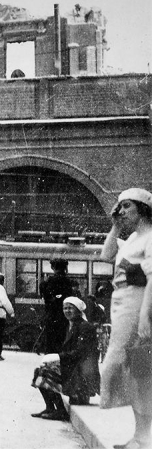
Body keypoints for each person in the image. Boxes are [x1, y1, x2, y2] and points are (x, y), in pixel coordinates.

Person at [99, 188, 152, 449]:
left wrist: (145, 316)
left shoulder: (150, 238)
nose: (121, 212)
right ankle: (139, 436)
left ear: (143, 209)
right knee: (132, 371)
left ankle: (143, 438)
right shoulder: (131, 239)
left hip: (137, 303)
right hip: (122, 303)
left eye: (126, 206)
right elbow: (106, 255)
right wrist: (115, 227)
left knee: (136, 369)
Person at [30, 296, 101, 421]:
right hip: (74, 368)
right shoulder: (72, 325)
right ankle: (51, 408)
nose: (67, 311)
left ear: (78, 310)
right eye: (65, 308)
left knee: (46, 372)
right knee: (40, 370)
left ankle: (61, 411)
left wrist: (58, 357)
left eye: (70, 308)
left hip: (80, 372)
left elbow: (80, 352)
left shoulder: (85, 327)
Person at [39, 258, 74, 354]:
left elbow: (45, 296)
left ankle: (50, 365)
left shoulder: (49, 281)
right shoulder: (68, 281)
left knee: (50, 345)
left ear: (53, 267)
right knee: (62, 343)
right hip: (64, 317)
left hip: (51, 316)